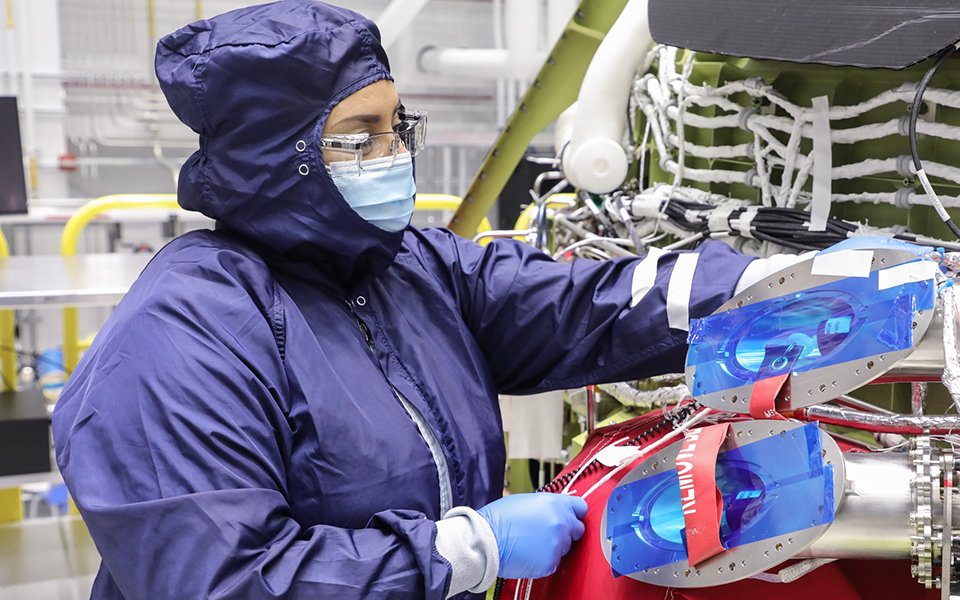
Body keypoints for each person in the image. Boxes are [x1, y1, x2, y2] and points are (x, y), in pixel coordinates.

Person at [50, 1, 928, 599]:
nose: (394, 153)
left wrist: (761, 283)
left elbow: (582, 304)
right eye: (359, 135)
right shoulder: (178, 341)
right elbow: (224, 583)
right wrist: (463, 552)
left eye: (397, 127)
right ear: (279, 158)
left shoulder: (405, 270)